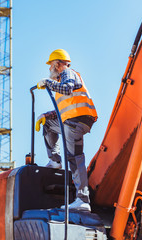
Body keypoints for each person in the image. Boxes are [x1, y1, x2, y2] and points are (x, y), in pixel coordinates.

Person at [35, 49, 97, 211]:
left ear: (57, 64)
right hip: (73, 120)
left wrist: (48, 83)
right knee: (48, 125)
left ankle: (82, 199)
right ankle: (55, 161)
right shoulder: (62, 82)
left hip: (76, 120)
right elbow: (64, 109)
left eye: (50, 66)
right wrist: (46, 116)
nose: (49, 69)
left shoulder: (67, 73)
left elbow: (68, 88)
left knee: (74, 158)